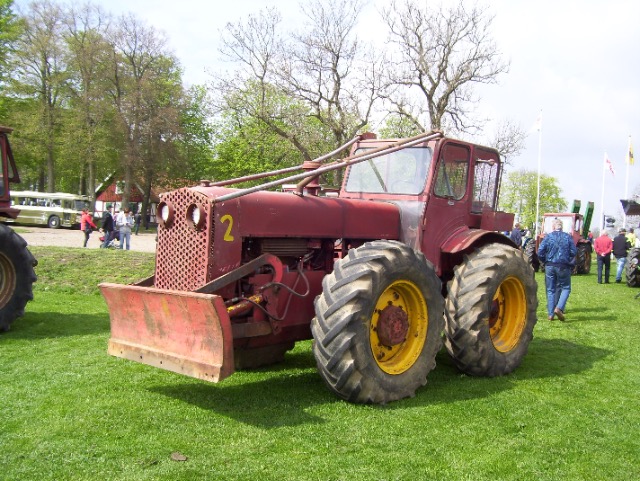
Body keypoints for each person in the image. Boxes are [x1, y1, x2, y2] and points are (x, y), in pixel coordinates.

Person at [537, 218, 576, 321]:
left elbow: (540, 251)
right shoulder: (567, 237)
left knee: (550, 290)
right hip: (563, 266)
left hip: (549, 266)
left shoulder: (548, 237)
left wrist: (544, 261)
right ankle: (559, 308)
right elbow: (574, 251)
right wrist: (567, 258)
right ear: (561, 227)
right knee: (566, 288)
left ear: (553, 227)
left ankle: (550, 314)